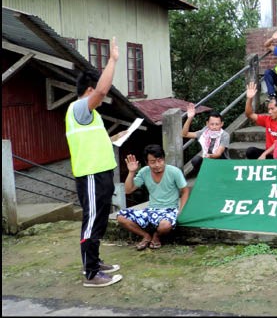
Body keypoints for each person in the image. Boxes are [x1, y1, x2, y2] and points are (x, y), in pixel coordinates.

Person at [65, 37, 122, 287]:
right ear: (88, 89)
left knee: (99, 219)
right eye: (95, 89)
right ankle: (90, 273)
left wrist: (113, 138)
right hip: (90, 175)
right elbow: (102, 90)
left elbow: (90, 141)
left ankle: (95, 262)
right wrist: (112, 60)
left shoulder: (90, 114)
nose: (100, 96)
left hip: (101, 173)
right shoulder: (78, 107)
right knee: (92, 220)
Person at [117, 145, 189, 252]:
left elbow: (185, 191)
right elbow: (128, 190)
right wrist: (131, 172)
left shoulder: (174, 172)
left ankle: (156, 236)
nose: (157, 165)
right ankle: (146, 236)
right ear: (147, 162)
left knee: (165, 225)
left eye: (160, 161)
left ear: (164, 159)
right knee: (121, 217)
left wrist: (181, 211)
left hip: (169, 210)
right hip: (151, 210)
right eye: (153, 162)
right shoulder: (144, 172)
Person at [244, 81, 277, 160]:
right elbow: (249, 114)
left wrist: (264, 154)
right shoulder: (267, 119)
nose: (269, 112)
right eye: (268, 109)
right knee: (250, 151)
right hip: (269, 154)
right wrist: (249, 98)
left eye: (272, 109)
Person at [182, 106, 230, 177]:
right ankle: (202, 176)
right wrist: (190, 118)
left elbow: (218, 153)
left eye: (217, 124)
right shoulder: (204, 132)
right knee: (196, 160)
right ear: (207, 124)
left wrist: (210, 156)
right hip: (207, 160)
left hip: (221, 161)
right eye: (212, 124)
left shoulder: (225, 135)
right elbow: (184, 134)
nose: (214, 127)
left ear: (221, 124)